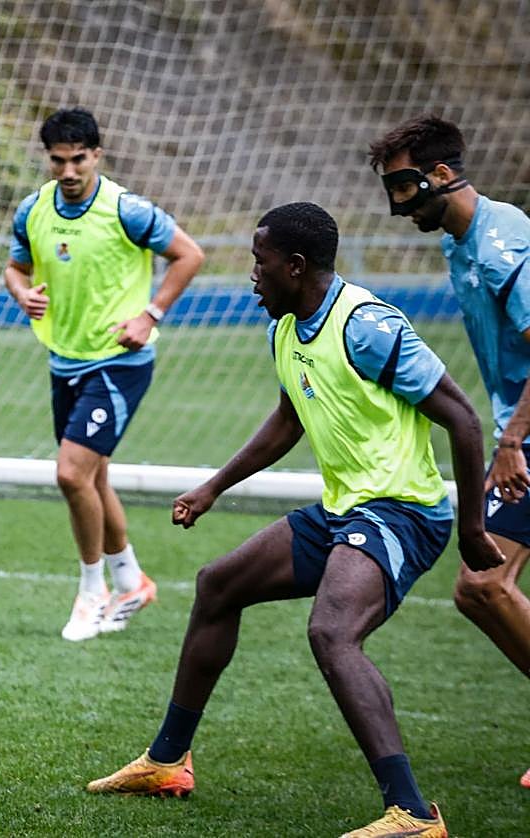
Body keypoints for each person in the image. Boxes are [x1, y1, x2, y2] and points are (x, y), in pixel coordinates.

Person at [85, 202, 504, 836]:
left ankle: (415, 816)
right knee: (217, 585)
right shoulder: (285, 328)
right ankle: (166, 762)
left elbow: (463, 418)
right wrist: (213, 488)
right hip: (345, 512)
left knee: (332, 632)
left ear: (297, 265)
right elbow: (289, 419)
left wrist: (471, 530)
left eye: (261, 262)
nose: (252, 274)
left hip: (404, 513)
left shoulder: (367, 326)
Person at [369, 114, 530, 790]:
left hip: (527, 438)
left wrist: (511, 441)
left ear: (440, 174)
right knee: (483, 589)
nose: (398, 206)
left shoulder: (502, 244)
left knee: (483, 583)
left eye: (404, 189)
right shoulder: (462, 244)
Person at [3, 107, 205, 641]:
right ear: (46, 159)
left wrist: (150, 314)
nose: (68, 172)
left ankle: (92, 592)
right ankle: (131, 580)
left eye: (78, 160)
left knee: (71, 474)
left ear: (97, 155)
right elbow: (14, 267)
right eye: (57, 161)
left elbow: (189, 255)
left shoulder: (127, 210)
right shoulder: (33, 211)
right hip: (63, 359)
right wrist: (23, 293)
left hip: (119, 362)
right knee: (93, 477)